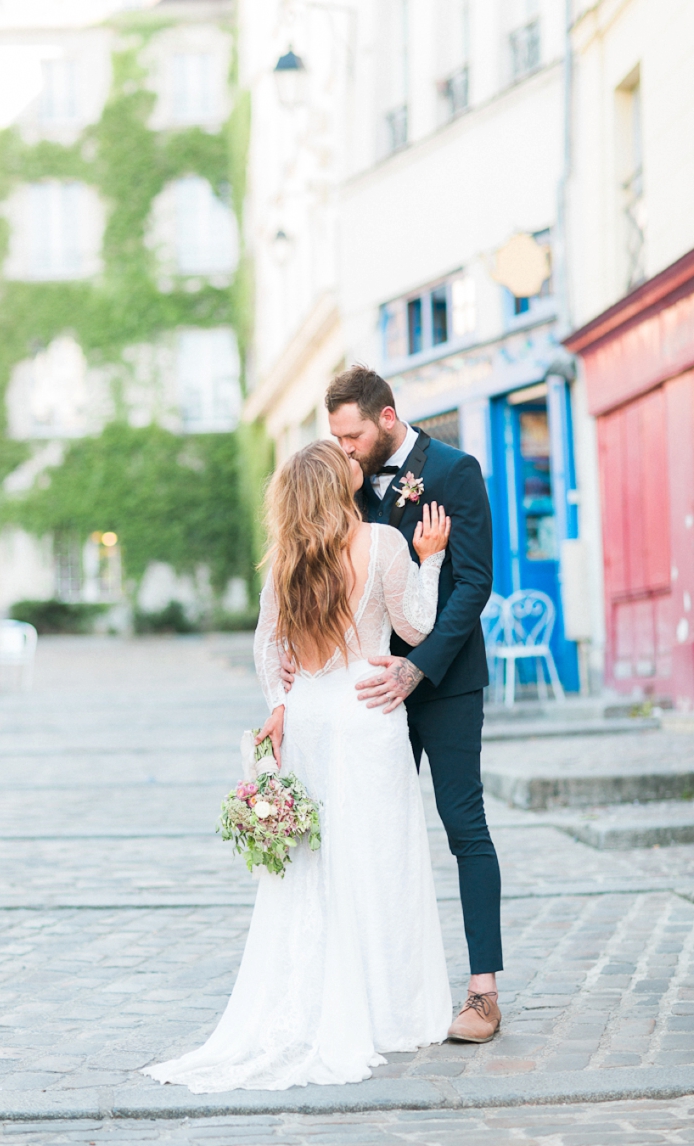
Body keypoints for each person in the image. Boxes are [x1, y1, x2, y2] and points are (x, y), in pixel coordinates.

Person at [143, 440, 453, 1092]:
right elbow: (418, 628)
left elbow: (268, 649)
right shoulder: (383, 544)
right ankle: (385, 1010)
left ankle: (310, 999)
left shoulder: (284, 561)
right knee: (379, 859)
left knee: (314, 864)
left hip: (310, 715)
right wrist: (432, 560)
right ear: (335, 489)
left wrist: (282, 701)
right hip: (367, 716)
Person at [277, 366, 503, 1044]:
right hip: (367, 696)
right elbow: (331, 574)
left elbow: (474, 585)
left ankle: (483, 993)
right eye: (335, 438)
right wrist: (302, 651)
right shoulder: (345, 484)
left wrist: (417, 668)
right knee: (369, 833)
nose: (343, 450)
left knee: (464, 826)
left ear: (386, 417)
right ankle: (377, 988)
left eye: (351, 436)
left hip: (444, 682)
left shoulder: (457, 471)